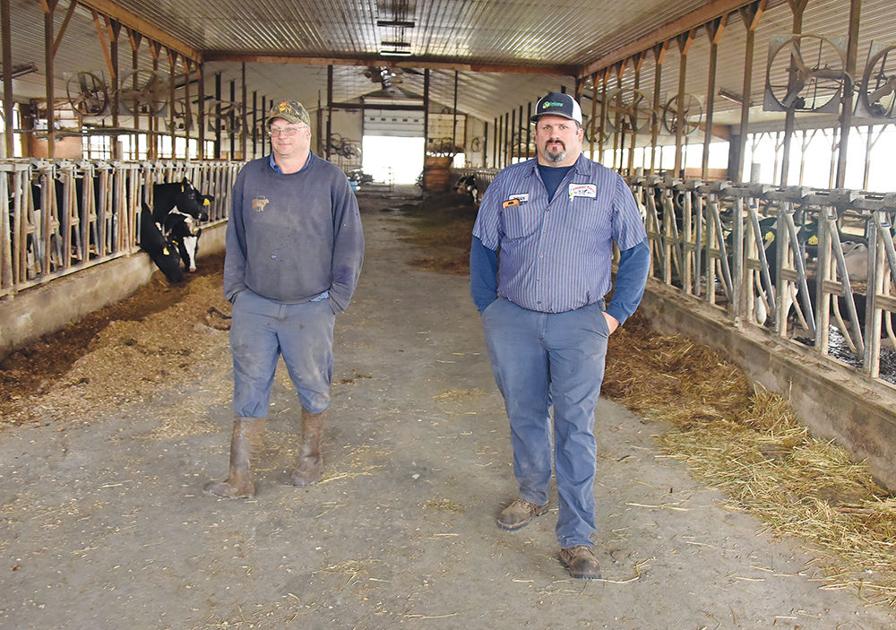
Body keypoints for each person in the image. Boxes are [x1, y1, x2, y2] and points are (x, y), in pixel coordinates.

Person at [470, 92, 650, 578]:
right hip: (516, 320)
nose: (554, 135)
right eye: (545, 127)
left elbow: (635, 252)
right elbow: (484, 246)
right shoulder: (508, 183)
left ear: (580, 134)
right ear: (535, 134)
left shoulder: (608, 186)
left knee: (575, 423)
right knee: (524, 411)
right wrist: (489, 308)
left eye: (563, 127)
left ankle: (577, 535)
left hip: (580, 322)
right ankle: (531, 494)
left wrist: (615, 315)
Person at [205, 99, 364, 499]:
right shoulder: (251, 176)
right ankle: (239, 477)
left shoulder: (331, 180)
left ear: (307, 134)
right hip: (255, 304)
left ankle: (310, 458)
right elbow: (236, 237)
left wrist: (336, 298)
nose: (282, 137)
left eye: (290, 129)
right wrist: (236, 291)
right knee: (248, 384)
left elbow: (350, 242)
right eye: (276, 130)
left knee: (312, 382)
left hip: (310, 304)